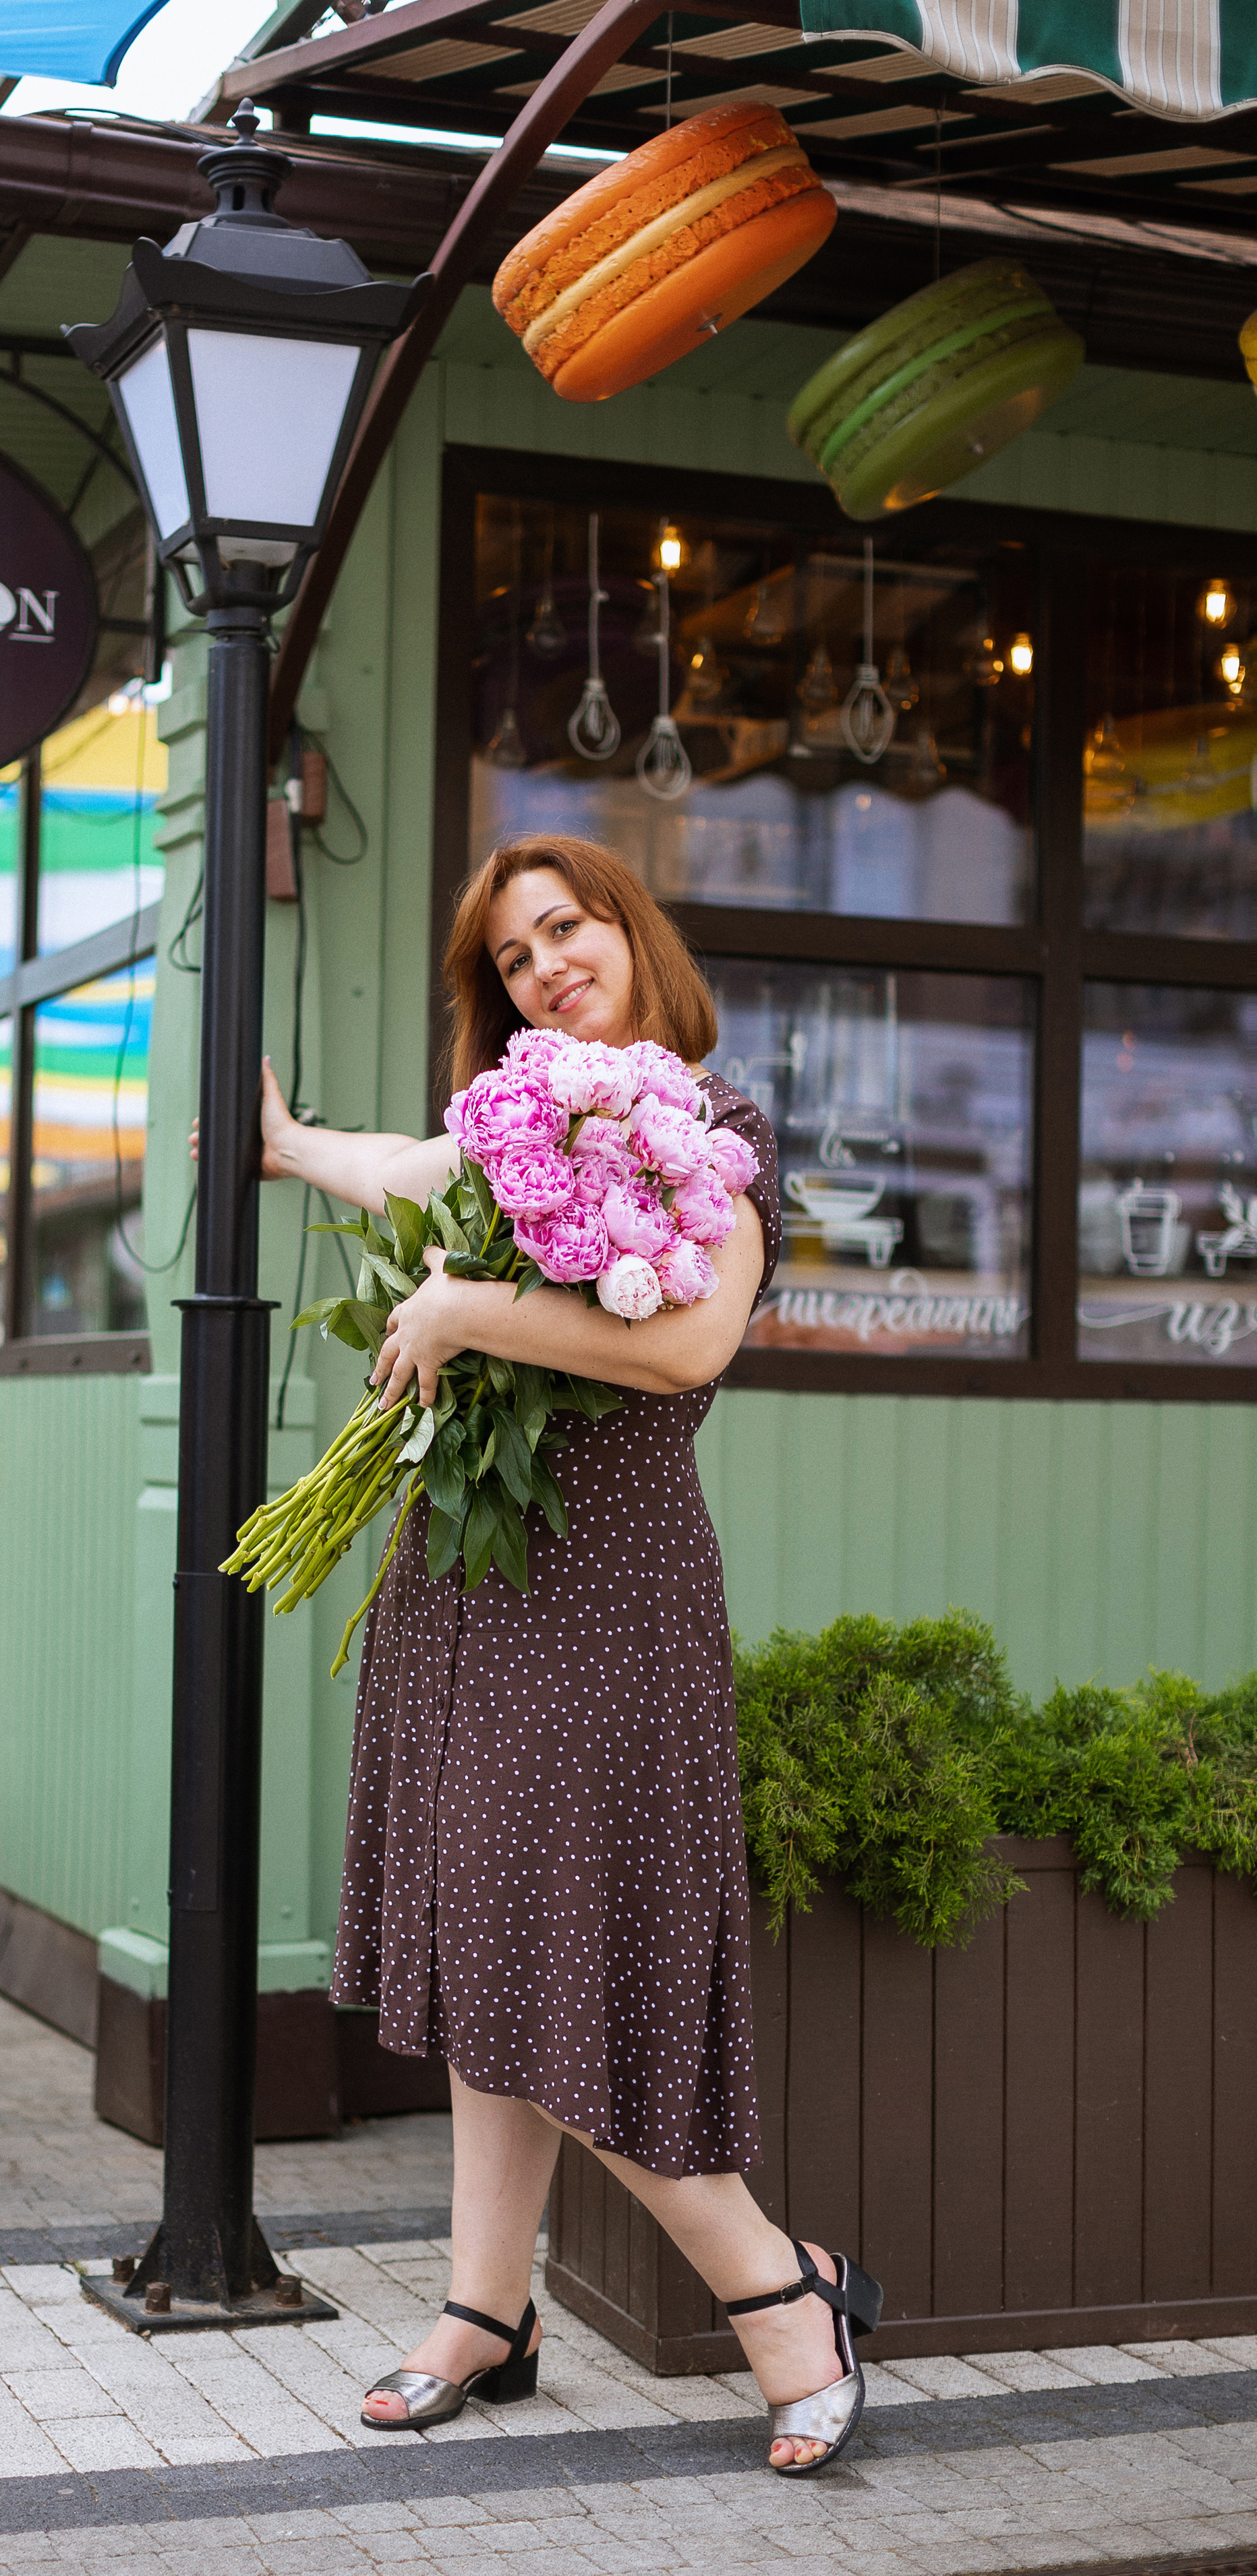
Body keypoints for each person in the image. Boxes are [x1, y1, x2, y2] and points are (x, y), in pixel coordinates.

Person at [246, 835, 881, 2474]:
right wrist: (288, 1144)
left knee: (555, 1942)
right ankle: (485, 2305)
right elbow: (415, 1169)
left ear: (628, 933)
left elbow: (681, 1344)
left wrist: (465, 1317)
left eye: (563, 928)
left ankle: (779, 2293)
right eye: (512, 958)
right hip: (467, 1577)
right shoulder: (508, 1129)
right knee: (474, 1934)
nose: (541, 965)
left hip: (609, 1595)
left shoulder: (712, 1131)